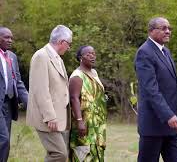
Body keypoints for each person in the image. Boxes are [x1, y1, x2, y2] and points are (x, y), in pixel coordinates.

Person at [134, 17, 177, 162]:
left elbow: (172, 86)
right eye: (163, 28)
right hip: (154, 126)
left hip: (174, 125)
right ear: (151, 31)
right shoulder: (144, 53)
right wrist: (167, 115)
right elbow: (151, 90)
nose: (168, 31)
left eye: (169, 28)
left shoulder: (166, 52)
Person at [26, 25, 72, 162]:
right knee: (59, 154)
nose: (69, 48)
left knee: (62, 154)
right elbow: (40, 90)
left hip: (60, 117)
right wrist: (50, 116)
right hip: (47, 118)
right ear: (61, 42)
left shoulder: (57, 58)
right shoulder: (41, 56)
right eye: (69, 44)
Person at [69, 46, 107, 161]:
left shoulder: (94, 73)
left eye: (94, 54)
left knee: (98, 151)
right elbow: (74, 98)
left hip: (98, 122)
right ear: (81, 58)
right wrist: (79, 121)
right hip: (84, 123)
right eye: (88, 54)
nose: (92, 56)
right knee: (84, 154)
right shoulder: (77, 76)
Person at [0, 27, 28, 162]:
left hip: (8, 104)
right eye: (6, 37)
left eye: (11, 38)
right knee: (3, 139)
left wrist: (30, 103)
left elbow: (18, 82)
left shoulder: (12, 57)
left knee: (6, 141)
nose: (10, 40)